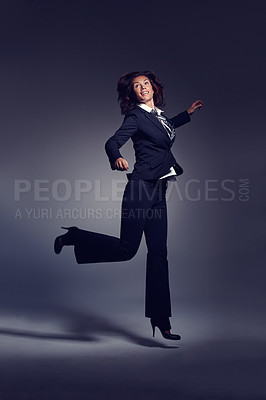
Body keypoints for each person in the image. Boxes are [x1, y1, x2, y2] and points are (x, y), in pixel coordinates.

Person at [54, 71, 203, 340]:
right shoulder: (135, 116)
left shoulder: (157, 116)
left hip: (158, 190)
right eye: (137, 86)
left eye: (146, 83)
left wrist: (186, 114)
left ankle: (161, 319)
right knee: (127, 250)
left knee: (158, 253)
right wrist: (116, 157)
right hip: (140, 189)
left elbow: (164, 128)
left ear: (154, 88)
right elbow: (112, 142)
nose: (143, 87)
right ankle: (74, 236)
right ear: (131, 94)